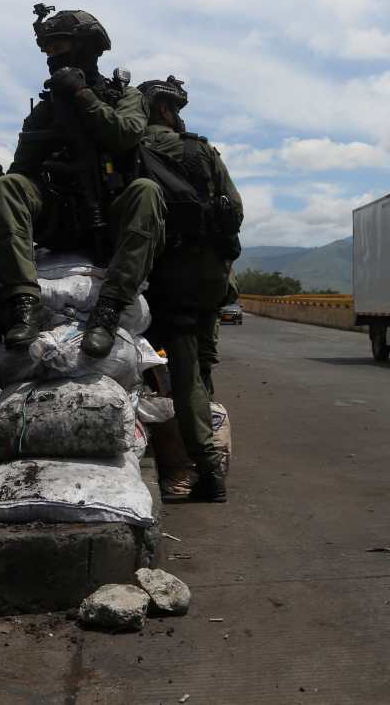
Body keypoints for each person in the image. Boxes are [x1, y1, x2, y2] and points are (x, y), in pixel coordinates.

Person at [0, 5, 165, 358]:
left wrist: (83, 96)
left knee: (147, 192)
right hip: (58, 217)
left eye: (60, 46)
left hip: (109, 216)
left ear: (87, 47)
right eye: (48, 50)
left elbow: (124, 134)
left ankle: (108, 310)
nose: (53, 56)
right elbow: (23, 170)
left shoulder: (126, 96)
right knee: (7, 187)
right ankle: (25, 304)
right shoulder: (46, 108)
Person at [136, 75, 242, 502]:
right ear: (167, 109)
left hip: (164, 278)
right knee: (196, 371)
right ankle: (201, 464)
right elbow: (234, 212)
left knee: (173, 374)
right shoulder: (201, 150)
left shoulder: (135, 151)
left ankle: (201, 469)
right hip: (208, 279)